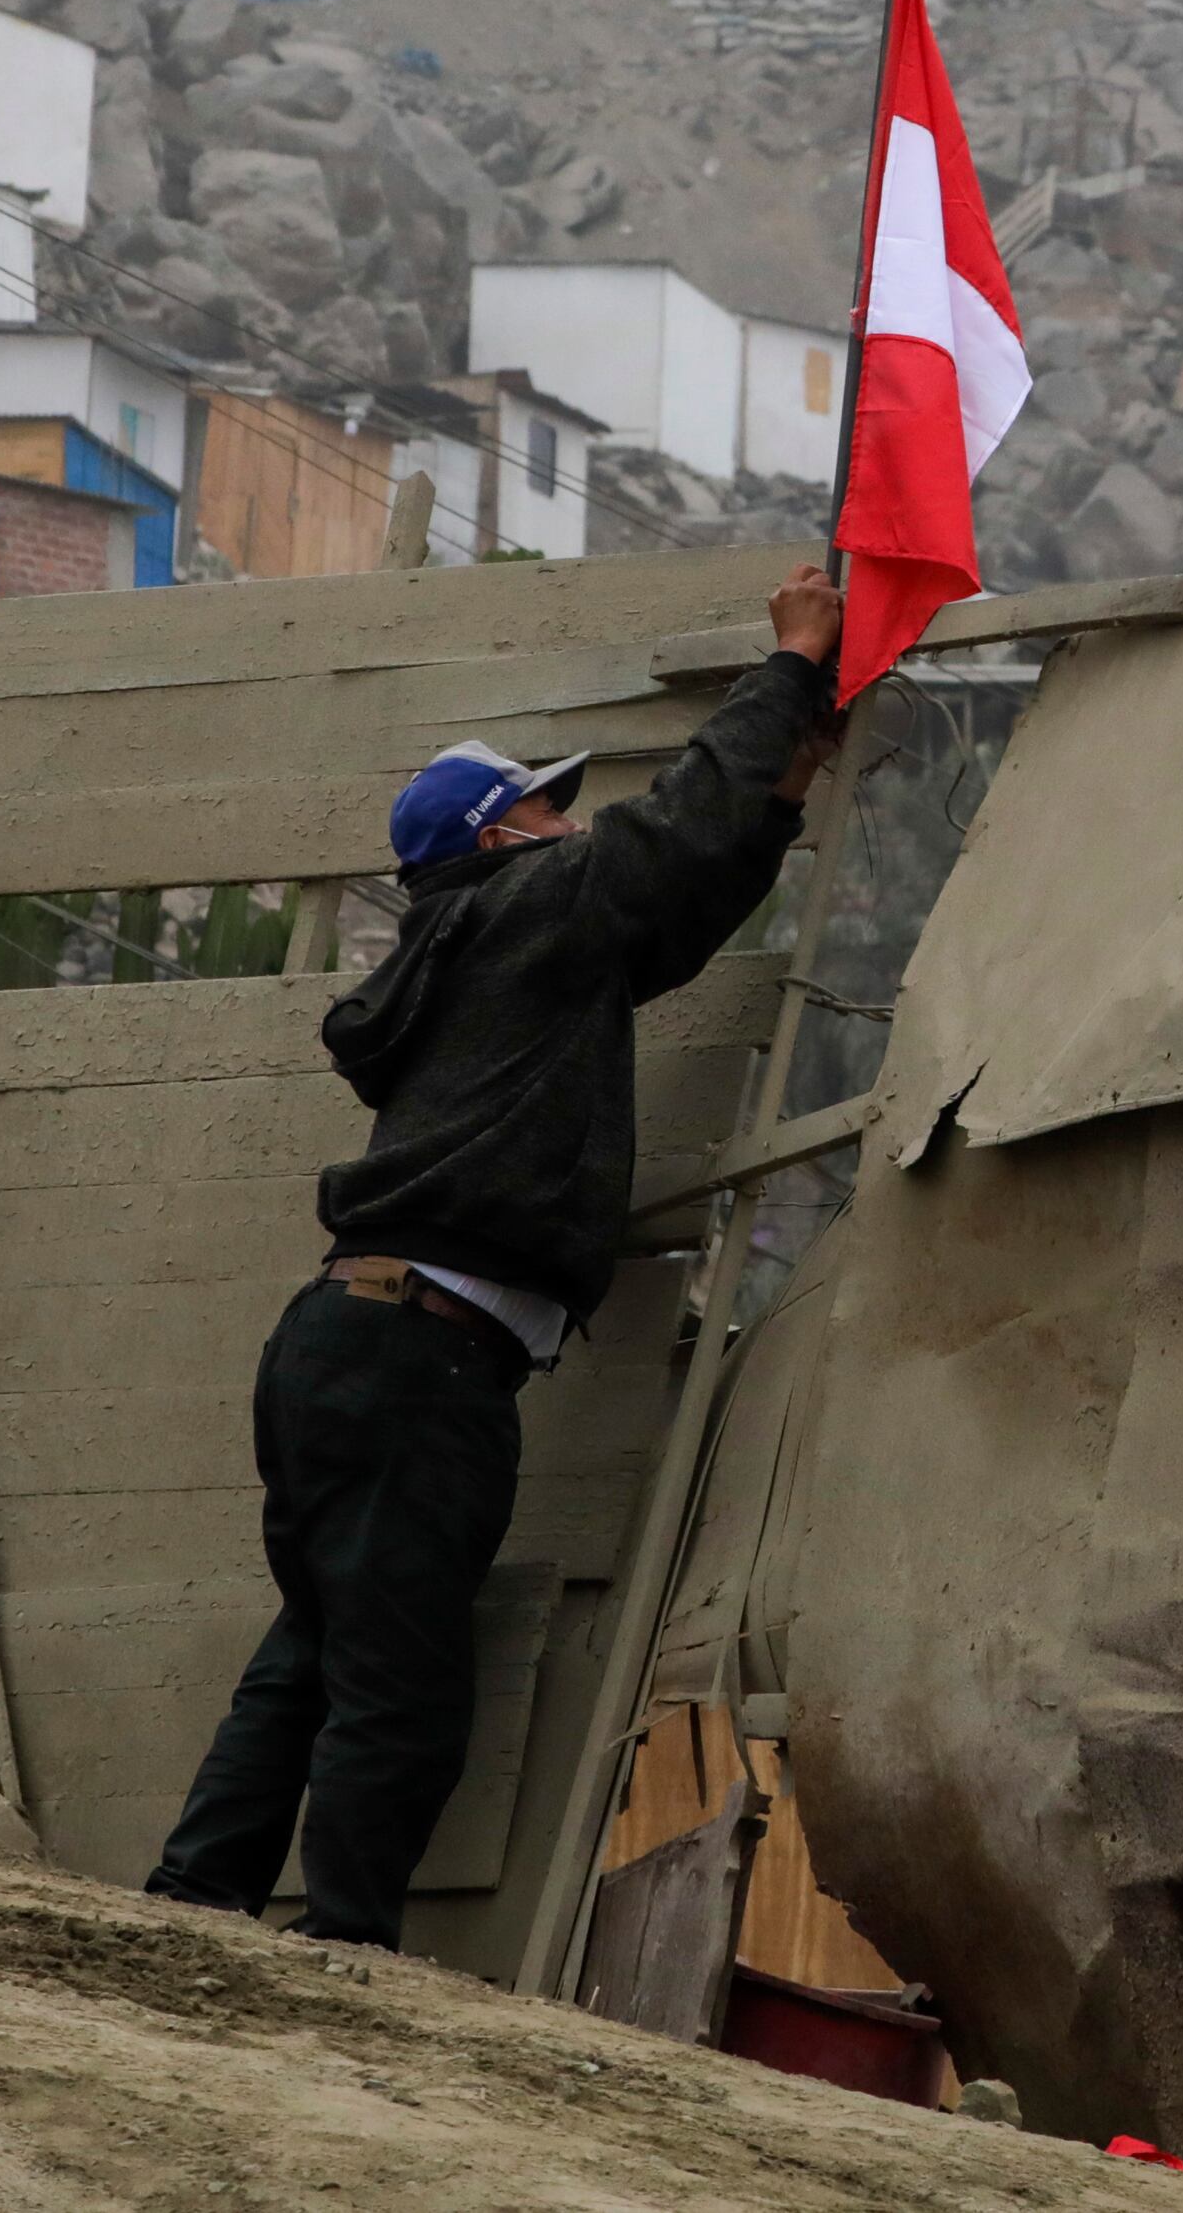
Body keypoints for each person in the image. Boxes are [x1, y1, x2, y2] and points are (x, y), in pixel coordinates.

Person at [142, 559, 848, 1945]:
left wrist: (777, 793)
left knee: (318, 1648)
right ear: (501, 836)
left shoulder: (495, 954)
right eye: (549, 806)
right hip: (418, 1359)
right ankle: (344, 1947)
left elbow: (674, 902)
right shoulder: (526, 910)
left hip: (349, 1345)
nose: (569, 822)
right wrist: (788, 667)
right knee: (398, 1683)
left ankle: (194, 1896)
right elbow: (664, 843)